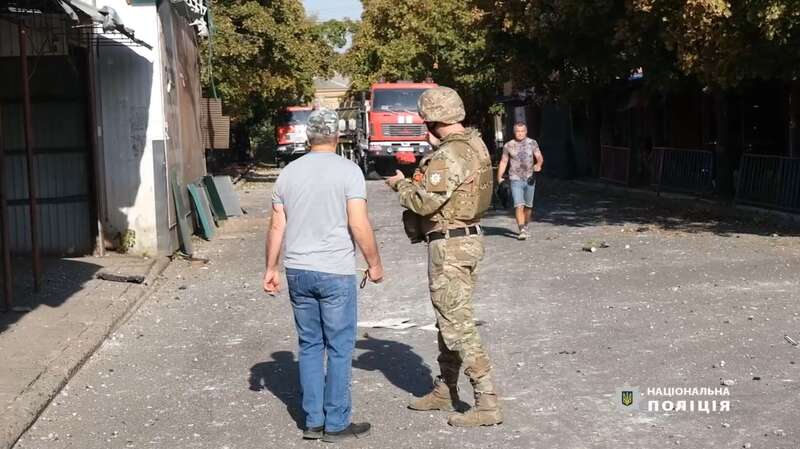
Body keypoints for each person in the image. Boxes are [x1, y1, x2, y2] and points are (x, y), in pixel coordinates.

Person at [263, 108, 384, 443]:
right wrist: (374, 262)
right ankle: (336, 423)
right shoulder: (349, 172)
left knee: (310, 345)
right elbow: (358, 223)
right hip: (335, 272)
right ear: (336, 136)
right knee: (340, 347)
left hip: (298, 271)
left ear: (308, 136)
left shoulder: (287, 174)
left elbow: (277, 225)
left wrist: (271, 268)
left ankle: (312, 421)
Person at [386, 87, 503, 427]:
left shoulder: (448, 155)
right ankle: (445, 389)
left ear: (433, 121)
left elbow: (424, 202)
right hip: (464, 240)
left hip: (450, 246)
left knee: (458, 325)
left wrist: (400, 185)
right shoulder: (474, 145)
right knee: (448, 320)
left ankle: (487, 401)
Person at [496, 123, 544, 240]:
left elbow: (539, 157)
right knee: (518, 205)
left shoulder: (532, 143)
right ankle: (521, 229)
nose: (520, 133)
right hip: (515, 178)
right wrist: (499, 177)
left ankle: (526, 225)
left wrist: (538, 164)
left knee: (528, 206)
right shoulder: (509, 145)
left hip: (529, 179)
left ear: (526, 131)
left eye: (522, 131)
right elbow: (503, 161)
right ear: (514, 132)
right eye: (518, 131)